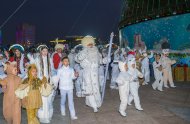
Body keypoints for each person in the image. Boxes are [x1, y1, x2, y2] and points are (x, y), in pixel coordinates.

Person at [75, 35, 110, 112]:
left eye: (91, 43)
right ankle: (94, 106)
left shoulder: (96, 51)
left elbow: (100, 61)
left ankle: (95, 103)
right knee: (89, 90)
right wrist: (84, 52)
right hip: (87, 74)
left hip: (95, 73)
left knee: (96, 89)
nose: (90, 45)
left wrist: (106, 60)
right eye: (88, 43)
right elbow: (77, 59)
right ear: (85, 44)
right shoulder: (83, 51)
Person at [27, 45, 55, 123]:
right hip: (41, 82)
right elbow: (34, 67)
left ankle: (48, 116)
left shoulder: (50, 59)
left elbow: (52, 71)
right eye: (43, 51)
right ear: (40, 52)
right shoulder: (37, 59)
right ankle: (43, 117)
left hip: (49, 82)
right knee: (43, 100)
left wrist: (52, 80)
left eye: (46, 51)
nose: (45, 52)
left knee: (49, 100)